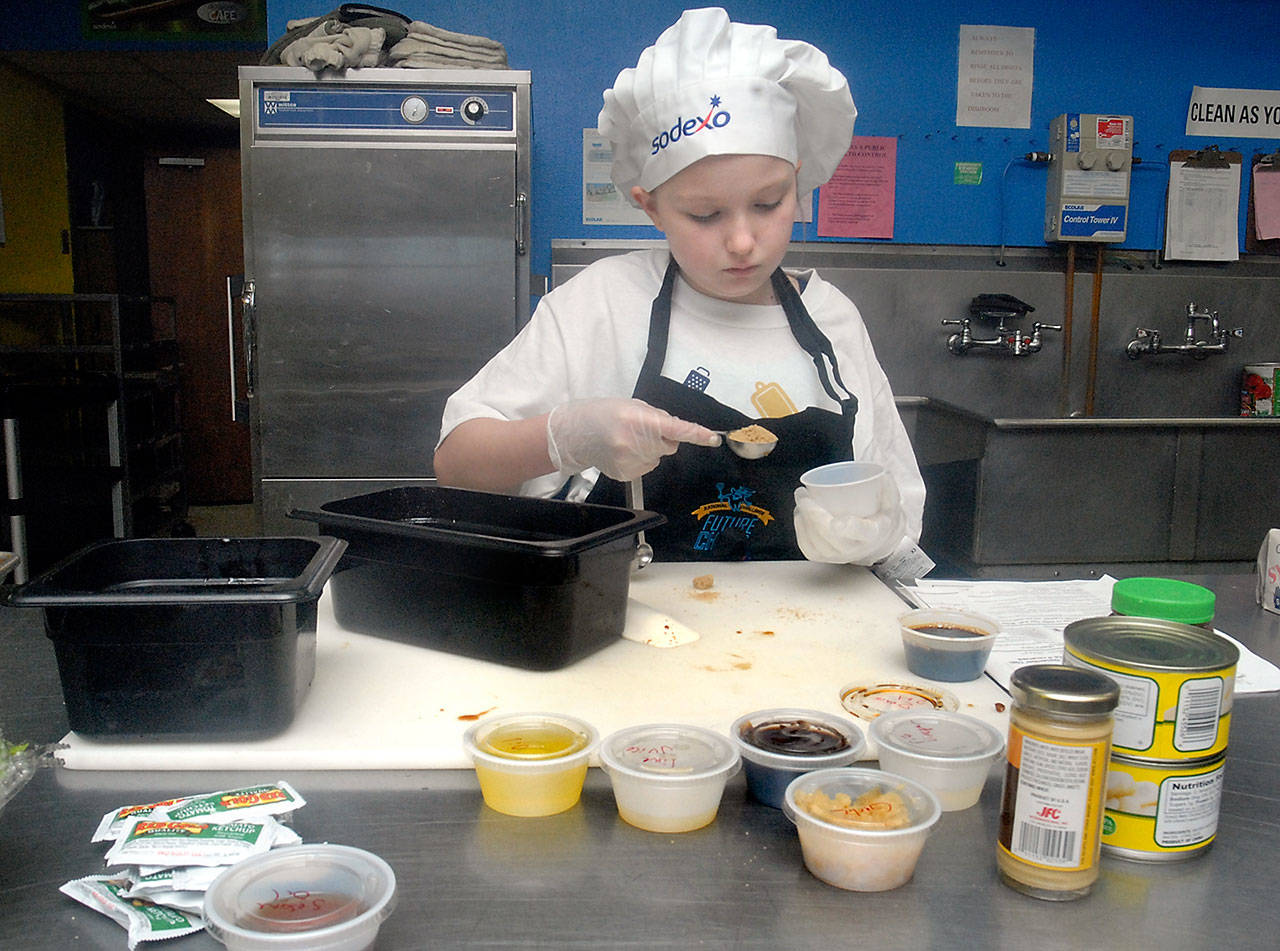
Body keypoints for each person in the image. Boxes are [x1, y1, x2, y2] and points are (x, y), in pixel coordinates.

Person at [433, 7, 924, 565]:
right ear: (652, 207)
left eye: (768, 203)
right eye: (704, 214)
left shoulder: (832, 319)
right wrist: (566, 436)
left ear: (799, 182)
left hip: (798, 633)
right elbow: (456, 466)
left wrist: (871, 535)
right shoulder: (602, 304)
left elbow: (897, 508)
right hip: (621, 628)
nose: (743, 241)